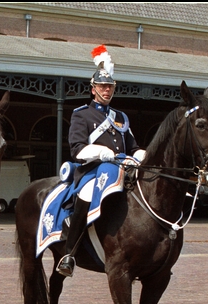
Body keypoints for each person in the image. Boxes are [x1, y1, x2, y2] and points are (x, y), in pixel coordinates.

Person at [56, 45, 144, 277]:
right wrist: (101, 152)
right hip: (92, 170)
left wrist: (141, 155)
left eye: (110, 86)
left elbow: (132, 147)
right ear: (93, 89)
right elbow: (77, 149)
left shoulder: (121, 117)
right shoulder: (81, 114)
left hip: (122, 169)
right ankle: (69, 253)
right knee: (86, 193)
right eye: (102, 86)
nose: (107, 90)